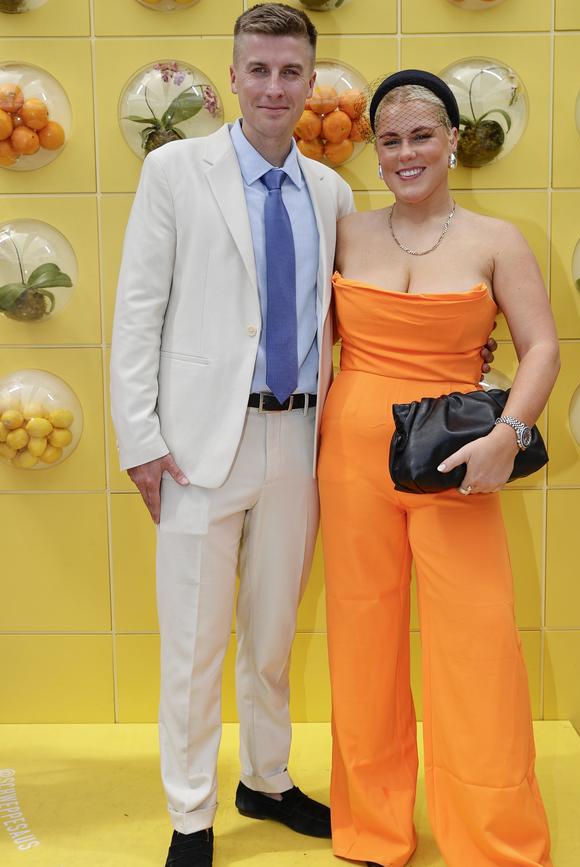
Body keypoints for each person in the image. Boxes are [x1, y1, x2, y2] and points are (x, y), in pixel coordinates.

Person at [110, 5, 355, 865]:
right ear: (235, 76)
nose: (275, 87)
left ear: (311, 81)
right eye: (259, 70)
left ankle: (267, 777)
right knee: (193, 643)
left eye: (292, 72)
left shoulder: (332, 190)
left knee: (274, 631)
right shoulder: (176, 170)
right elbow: (138, 309)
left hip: (298, 444)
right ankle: (190, 815)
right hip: (195, 445)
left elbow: (339, 323)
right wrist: (139, 438)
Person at [318, 70, 560, 867]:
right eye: (390, 140)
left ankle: (493, 840)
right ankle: (375, 828)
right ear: (375, 152)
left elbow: (542, 347)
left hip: (455, 460)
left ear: (454, 139)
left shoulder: (498, 239)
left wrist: (510, 435)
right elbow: (315, 345)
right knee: (361, 642)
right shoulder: (346, 231)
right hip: (350, 458)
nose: (406, 152)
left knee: (478, 648)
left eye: (422, 135)